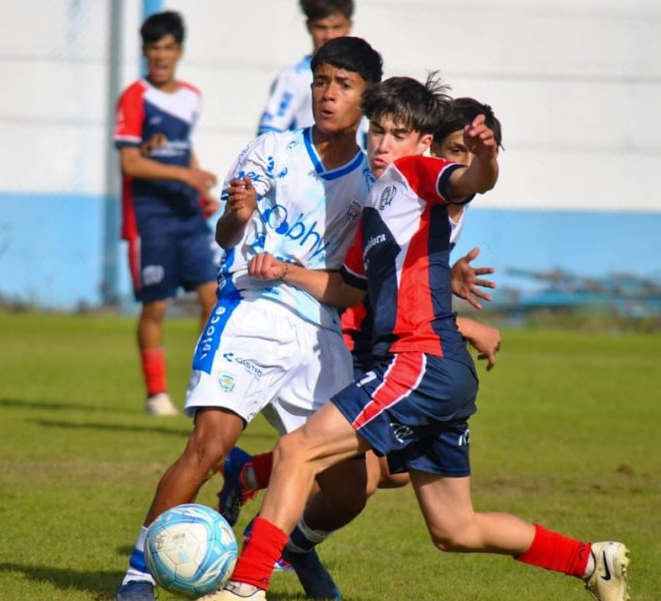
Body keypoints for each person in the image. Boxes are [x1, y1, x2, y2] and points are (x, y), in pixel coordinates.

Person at [199, 75, 630, 601]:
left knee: (298, 450)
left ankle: (245, 587)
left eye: (397, 133)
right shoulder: (375, 205)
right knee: (455, 529)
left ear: (422, 142)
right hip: (439, 370)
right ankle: (592, 561)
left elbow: (471, 181)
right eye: (376, 131)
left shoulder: (416, 174)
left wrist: (485, 158)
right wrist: (285, 271)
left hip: (418, 360)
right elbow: (347, 288)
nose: (382, 144)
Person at [114, 36, 384, 601]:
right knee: (207, 448)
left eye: (343, 85)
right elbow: (225, 236)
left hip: (318, 332)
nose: (327, 94)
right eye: (321, 81)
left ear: (367, 99)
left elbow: (350, 288)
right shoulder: (270, 152)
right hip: (250, 312)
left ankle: (293, 548)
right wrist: (236, 218)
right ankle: (138, 576)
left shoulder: (370, 186)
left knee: (351, 486)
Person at [219, 97, 507, 521]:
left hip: (388, 343)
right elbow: (373, 285)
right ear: (432, 149)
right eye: (454, 149)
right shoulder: (408, 187)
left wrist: (446, 280)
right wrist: (462, 322)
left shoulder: (440, 204)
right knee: (350, 470)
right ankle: (275, 556)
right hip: (358, 339)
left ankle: (249, 475)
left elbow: (405, 280)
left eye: (471, 150)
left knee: (391, 473)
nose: (458, 159)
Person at [114, 10, 221, 417]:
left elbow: (181, 147)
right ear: (144, 53)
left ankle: (202, 387)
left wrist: (198, 190)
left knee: (213, 298)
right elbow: (131, 164)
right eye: (153, 49)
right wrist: (186, 175)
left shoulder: (191, 96)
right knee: (155, 306)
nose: (161, 56)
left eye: (168, 48)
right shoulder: (134, 98)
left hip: (187, 214)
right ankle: (156, 394)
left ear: (179, 51)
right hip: (148, 217)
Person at [258, 0, 354, 135]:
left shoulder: (361, 77)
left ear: (349, 26)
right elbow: (267, 135)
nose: (329, 36)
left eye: (336, 27)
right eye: (321, 27)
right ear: (309, 27)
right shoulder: (294, 77)